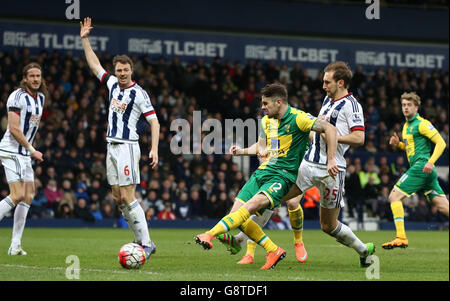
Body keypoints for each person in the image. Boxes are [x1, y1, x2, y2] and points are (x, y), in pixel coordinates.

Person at [217, 62, 375, 268]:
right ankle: (240, 239)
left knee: (328, 226)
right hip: (308, 164)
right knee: (271, 197)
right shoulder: (327, 100)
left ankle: (363, 250)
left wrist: (332, 138)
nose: (323, 86)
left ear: (341, 82)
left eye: (327, 82)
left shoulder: (352, 105)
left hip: (333, 169)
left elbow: (359, 138)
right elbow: (317, 130)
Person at [195, 83, 339, 270]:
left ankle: (210, 234)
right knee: (237, 216)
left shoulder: (300, 118)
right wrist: (242, 151)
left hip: (283, 175)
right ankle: (272, 250)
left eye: (265, 103)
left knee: (263, 206)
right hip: (263, 172)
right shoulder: (266, 121)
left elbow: (330, 129)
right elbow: (262, 148)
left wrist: (330, 159)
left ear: (278, 102)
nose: (262, 107)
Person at [80, 17, 160, 258]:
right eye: (119, 70)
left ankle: (146, 243)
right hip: (111, 147)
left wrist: (154, 149)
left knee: (128, 195)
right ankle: (139, 240)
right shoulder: (113, 84)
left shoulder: (139, 93)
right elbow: (95, 66)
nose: (122, 74)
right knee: (117, 197)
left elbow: (154, 121)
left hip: (127, 146)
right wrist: (85, 39)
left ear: (131, 71)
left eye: (126, 70)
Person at [382, 91, 449, 249]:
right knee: (443, 207)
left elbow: (441, 143)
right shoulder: (406, 126)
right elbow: (410, 148)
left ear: (416, 107)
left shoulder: (422, 123)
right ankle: (401, 237)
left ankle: (401, 237)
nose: (405, 108)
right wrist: (398, 145)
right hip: (424, 172)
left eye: (409, 105)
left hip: (421, 167)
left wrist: (431, 162)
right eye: (404, 105)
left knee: (394, 197)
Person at [0, 62, 45, 255]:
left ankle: (15, 245)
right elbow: (14, 128)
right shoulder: (16, 97)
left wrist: (29, 150)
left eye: (38, 76)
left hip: (25, 153)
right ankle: (15, 244)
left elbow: (31, 127)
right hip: (12, 150)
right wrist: (32, 148)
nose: (35, 79)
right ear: (25, 78)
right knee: (17, 195)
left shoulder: (41, 98)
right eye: (32, 76)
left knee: (28, 194)